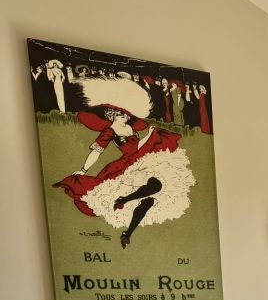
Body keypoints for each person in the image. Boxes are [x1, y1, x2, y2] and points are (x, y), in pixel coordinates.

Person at [54, 76, 195, 248]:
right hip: (126, 165)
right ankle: (124, 204)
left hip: (141, 158)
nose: (126, 116)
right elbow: (97, 151)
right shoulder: (109, 131)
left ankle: (126, 229)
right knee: (152, 192)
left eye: (126, 113)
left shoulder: (130, 128)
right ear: (112, 114)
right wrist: (83, 170)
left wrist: (150, 135)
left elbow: (138, 146)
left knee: (153, 195)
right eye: (122, 113)